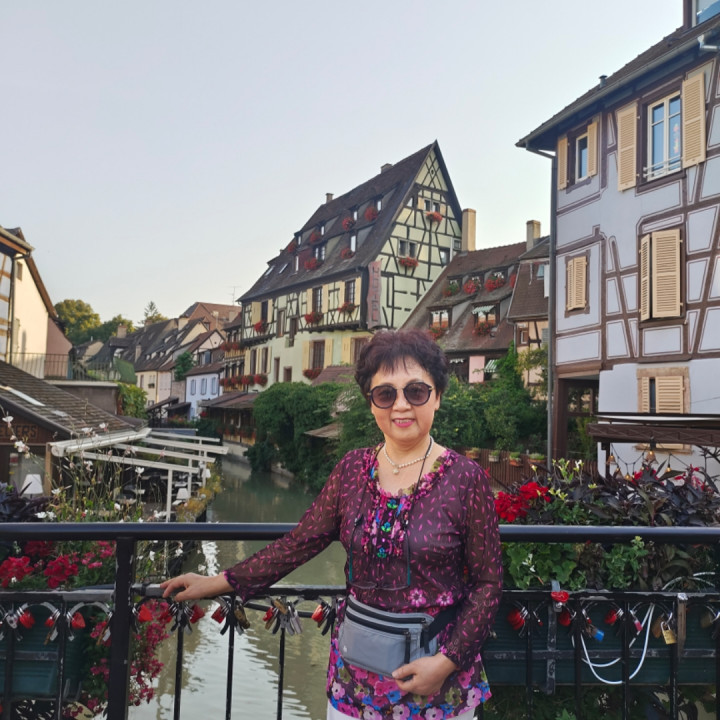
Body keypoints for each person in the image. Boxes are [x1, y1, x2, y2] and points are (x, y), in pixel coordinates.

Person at [161, 328, 502, 719]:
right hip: (355, 680)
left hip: (435, 683)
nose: (401, 405)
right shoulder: (352, 469)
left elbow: (488, 583)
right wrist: (220, 581)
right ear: (371, 403)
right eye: (385, 394)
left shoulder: (465, 479)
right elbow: (299, 544)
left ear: (437, 396)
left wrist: (448, 661)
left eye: (416, 391)